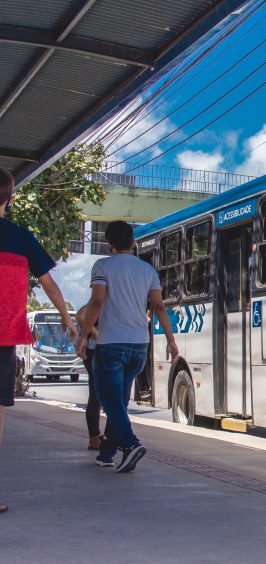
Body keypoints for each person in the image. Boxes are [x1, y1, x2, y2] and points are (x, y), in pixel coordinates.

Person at [0, 167, 78, 513]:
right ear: (11, 198)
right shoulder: (21, 237)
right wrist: (65, 317)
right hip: (3, 337)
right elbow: (48, 283)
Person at [77, 220, 178, 473]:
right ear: (133, 243)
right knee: (118, 400)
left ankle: (132, 444)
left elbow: (97, 301)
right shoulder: (147, 271)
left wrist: (83, 335)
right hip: (139, 345)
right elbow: (159, 307)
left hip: (111, 343)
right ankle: (108, 452)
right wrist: (171, 339)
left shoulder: (102, 266)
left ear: (109, 245)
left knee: (107, 397)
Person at [75, 304, 103, 450]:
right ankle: (95, 438)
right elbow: (79, 316)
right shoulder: (101, 299)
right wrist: (96, 333)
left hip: (95, 349)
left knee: (96, 394)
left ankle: (96, 438)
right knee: (96, 394)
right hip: (95, 350)